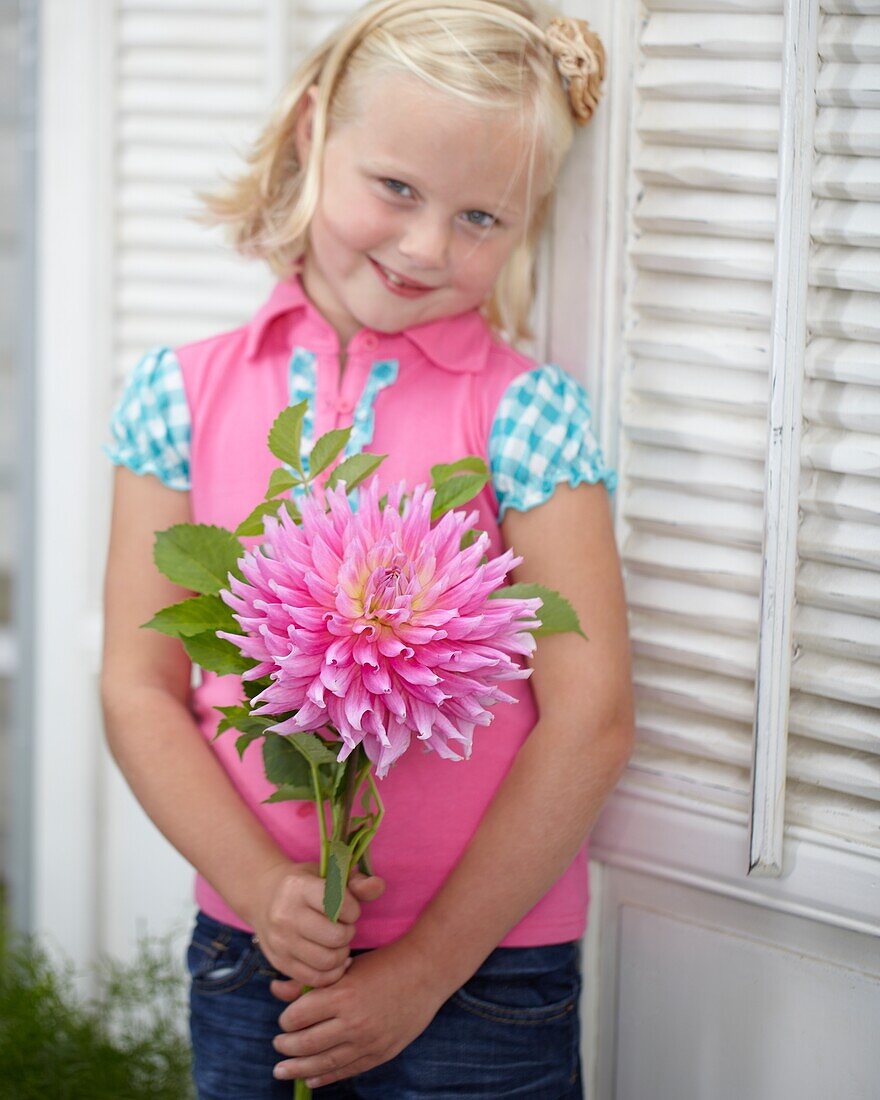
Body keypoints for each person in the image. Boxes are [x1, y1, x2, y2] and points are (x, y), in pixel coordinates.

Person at [99, 1, 634, 1096]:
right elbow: (137, 686)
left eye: (482, 215)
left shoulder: (523, 416)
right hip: (259, 956)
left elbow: (592, 714)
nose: (427, 245)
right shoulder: (181, 396)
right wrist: (259, 887)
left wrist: (428, 966)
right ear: (310, 133)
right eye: (396, 188)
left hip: (488, 973)